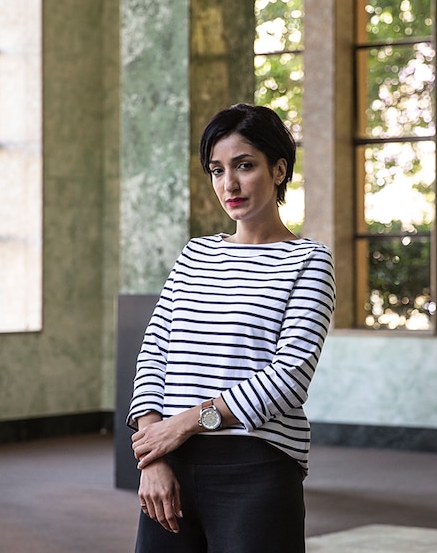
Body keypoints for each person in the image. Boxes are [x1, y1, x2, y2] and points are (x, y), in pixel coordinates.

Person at [127, 103, 336, 553]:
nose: (230, 184)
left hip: (256, 472)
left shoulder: (308, 260)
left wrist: (186, 423)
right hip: (170, 469)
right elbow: (152, 360)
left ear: (278, 169)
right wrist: (153, 457)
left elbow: (289, 378)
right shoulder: (194, 256)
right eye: (217, 170)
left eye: (245, 166)